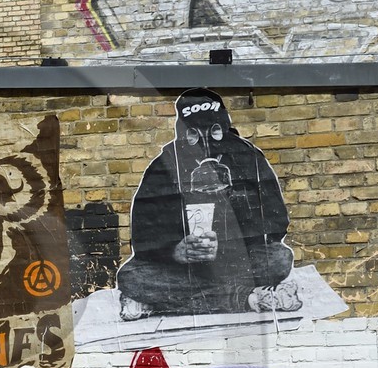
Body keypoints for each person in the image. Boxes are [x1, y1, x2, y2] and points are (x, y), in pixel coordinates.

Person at [116, 88, 301, 319]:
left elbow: (276, 221)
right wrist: (174, 250)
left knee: (279, 258)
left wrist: (228, 246)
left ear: (224, 126)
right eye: (193, 133)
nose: (204, 142)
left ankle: (161, 303)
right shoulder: (164, 164)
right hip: (184, 267)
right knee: (131, 276)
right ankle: (247, 298)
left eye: (214, 131)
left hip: (235, 261)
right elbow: (142, 232)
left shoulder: (248, 158)